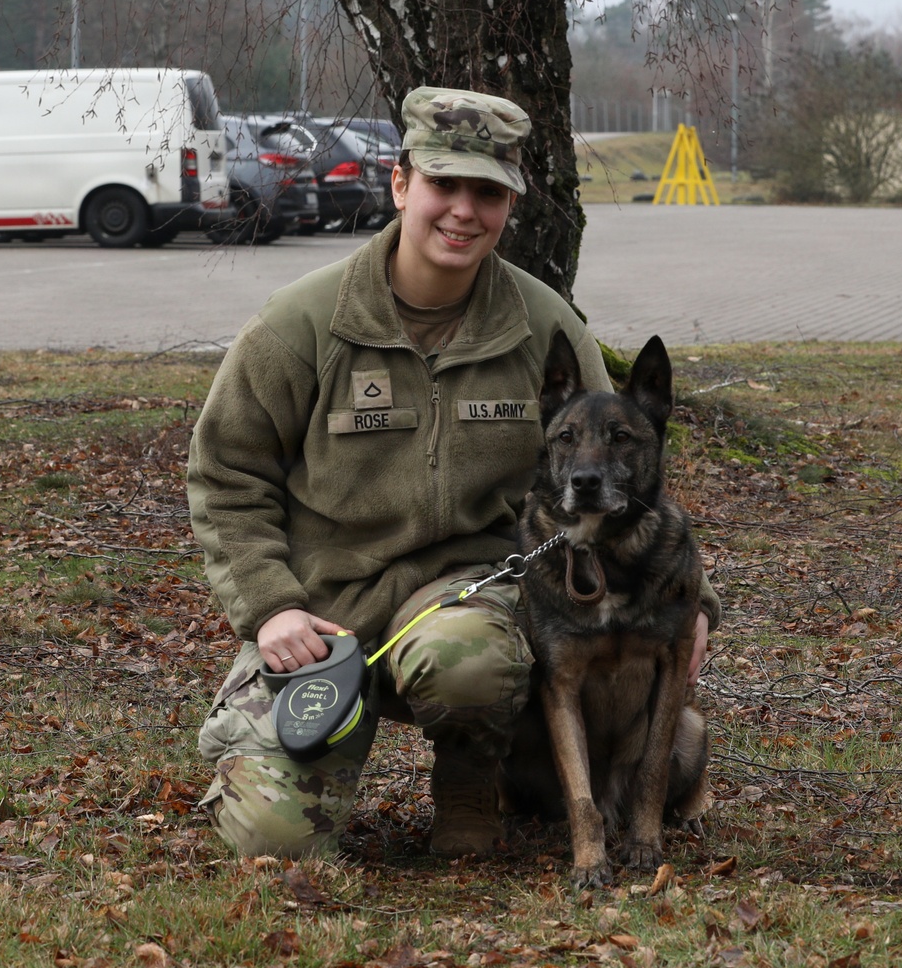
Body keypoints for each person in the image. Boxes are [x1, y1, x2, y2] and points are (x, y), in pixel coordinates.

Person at [188, 85, 720, 859]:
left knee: (471, 658)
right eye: (444, 184)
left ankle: (472, 778)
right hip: (324, 615)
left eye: (489, 192)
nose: (464, 211)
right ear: (401, 183)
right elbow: (225, 473)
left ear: (511, 205)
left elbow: (622, 455)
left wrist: (695, 600)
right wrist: (272, 608)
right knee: (274, 843)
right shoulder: (301, 323)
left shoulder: (542, 324)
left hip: (467, 601)